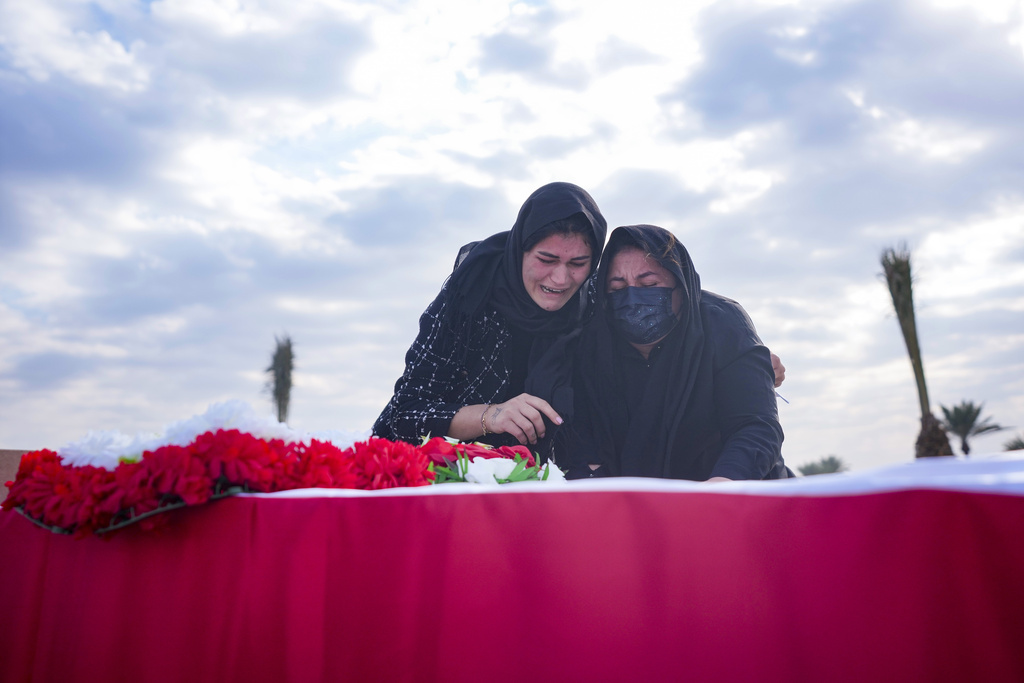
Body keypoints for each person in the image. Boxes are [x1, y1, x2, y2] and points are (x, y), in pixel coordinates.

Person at [373, 182, 608, 449]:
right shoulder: (468, 295)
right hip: (440, 467)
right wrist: (491, 416)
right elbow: (404, 415)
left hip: (540, 471)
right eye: (546, 260)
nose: (561, 278)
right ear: (520, 250)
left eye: (578, 263)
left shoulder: (594, 305)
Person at [559, 224, 789, 480]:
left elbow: (755, 426)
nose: (633, 297)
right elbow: (579, 438)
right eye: (618, 288)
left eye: (649, 284)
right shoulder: (591, 339)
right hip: (629, 497)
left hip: (730, 491)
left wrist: (723, 484)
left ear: (681, 284)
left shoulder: (721, 322)